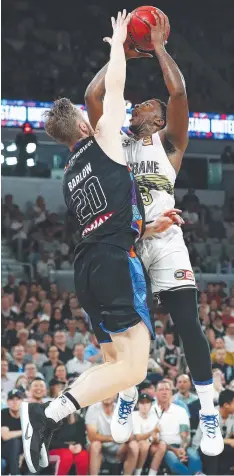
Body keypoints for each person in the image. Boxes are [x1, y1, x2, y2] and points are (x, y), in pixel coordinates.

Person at [20, 11, 182, 474]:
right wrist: (117, 45)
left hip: (89, 266)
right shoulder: (104, 142)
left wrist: (147, 229)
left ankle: (50, 413)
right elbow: (113, 89)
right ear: (86, 128)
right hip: (112, 265)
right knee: (132, 370)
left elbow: (108, 219)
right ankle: (47, 414)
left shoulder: (71, 174)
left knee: (113, 363)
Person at [85, 8, 224, 457]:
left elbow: (178, 89)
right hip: (125, 242)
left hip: (163, 241)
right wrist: (119, 54)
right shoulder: (114, 141)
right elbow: (93, 94)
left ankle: (207, 413)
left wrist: (160, 48)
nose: (143, 102)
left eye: (151, 104)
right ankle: (127, 394)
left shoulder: (168, 145)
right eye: (139, 101)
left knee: (188, 325)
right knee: (126, 332)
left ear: (160, 120)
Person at [155, 381, 203, 475]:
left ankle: (198, 473)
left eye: (167, 389)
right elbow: (155, 439)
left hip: (182, 446)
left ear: (171, 393)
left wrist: (182, 448)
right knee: (173, 461)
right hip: (164, 448)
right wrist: (174, 450)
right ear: (156, 393)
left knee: (194, 455)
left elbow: (185, 434)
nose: (164, 392)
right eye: (161, 389)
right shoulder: (152, 411)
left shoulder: (180, 411)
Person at [86, 396, 139, 475]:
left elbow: (130, 435)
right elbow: (92, 436)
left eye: (110, 392)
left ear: (116, 395)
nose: (107, 395)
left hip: (119, 448)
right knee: (95, 445)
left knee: (134, 445)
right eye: (105, 392)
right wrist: (114, 438)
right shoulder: (93, 409)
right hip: (101, 447)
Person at [132, 393, 167, 475]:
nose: (144, 405)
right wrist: (152, 432)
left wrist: (155, 438)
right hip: (136, 445)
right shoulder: (133, 415)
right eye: (142, 402)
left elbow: (155, 438)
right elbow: (137, 437)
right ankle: (137, 472)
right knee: (144, 445)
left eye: (147, 402)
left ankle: (152, 473)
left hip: (149, 445)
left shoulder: (154, 416)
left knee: (162, 445)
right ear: (137, 405)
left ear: (151, 405)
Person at [1, 390, 23, 475]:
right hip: (4, 449)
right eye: (11, 399)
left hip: (22, 450)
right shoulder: (3, 413)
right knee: (14, 442)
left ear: (22, 401)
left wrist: (23, 455)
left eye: (17, 399)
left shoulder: (27, 415)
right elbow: (5, 436)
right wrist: (24, 431)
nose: (14, 402)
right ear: (7, 402)